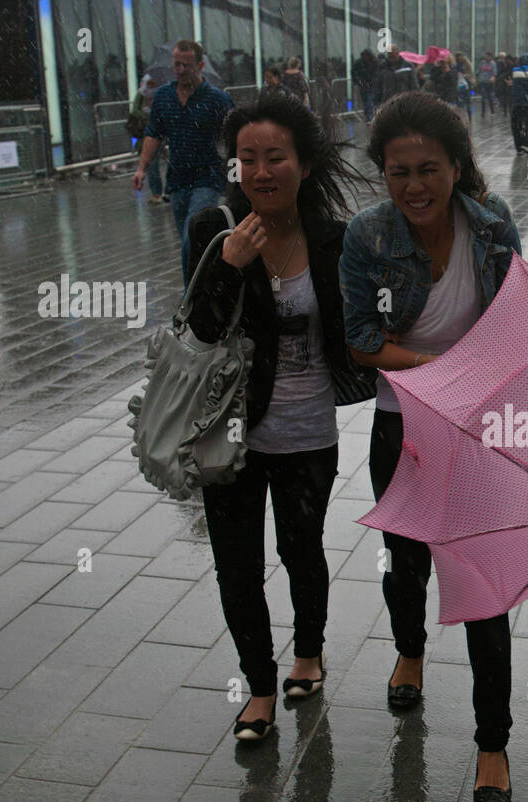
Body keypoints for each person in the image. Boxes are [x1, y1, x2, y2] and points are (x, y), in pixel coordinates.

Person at [339, 91, 522, 802]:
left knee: (485, 587)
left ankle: (492, 744)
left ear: (456, 167)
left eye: (428, 170)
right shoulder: (369, 236)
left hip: (479, 430)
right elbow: (360, 339)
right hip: (404, 425)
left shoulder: (493, 224)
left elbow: (516, 319)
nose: (413, 186)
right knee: (407, 561)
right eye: (397, 172)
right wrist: (438, 369)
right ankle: (409, 649)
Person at [184, 93, 366, 741]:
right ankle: (259, 688)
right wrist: (230, 269)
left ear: (305, 164)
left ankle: (308, 655)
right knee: (236, 565)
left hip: (307, 430)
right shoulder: (214, 228)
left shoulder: (334, 238)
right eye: (247, 160)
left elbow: (362, 323)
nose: (261, 172)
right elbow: (199, 330)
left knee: (301, 550)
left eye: (275, 158)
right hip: (227, 429)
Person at [131, 40, 233, 281]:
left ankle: (190, 295)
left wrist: (237, 177)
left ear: (200, 65)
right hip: (177, 180)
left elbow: (234, 140)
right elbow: (154, 135)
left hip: (208, 178)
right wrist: (141, 169)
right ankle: (206, 283)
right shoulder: (164, 96)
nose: (181, 70)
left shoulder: (217, 99)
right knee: (190, 242)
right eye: (177, 64)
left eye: (186, 65)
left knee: (192, 235)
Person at [130, 74, 168, 205]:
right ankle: (158, 193)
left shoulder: (161, 94)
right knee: (153, 163)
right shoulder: (142, 95)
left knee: (163, 163)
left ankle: (165, 192)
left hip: (160, 133)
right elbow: (135, 110)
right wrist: (148, 116)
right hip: (148, 134)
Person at [355, 49, 380, 122]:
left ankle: (369, 117)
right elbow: (354, 73)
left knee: (369, 101)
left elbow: (376, 74)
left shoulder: (373, 63)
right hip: (365, 85)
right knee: (366, 101)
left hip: (369, 85)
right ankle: (369, 116)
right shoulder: (360, 63)